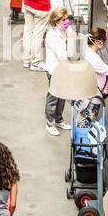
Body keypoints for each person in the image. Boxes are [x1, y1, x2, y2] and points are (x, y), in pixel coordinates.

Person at [45, 8, 72, 136]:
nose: (66, 22)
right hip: (54, 70)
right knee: (53, 97)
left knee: (62, 96)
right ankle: (50, 124)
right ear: (56, 21)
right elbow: (61, 54)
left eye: (67, 19)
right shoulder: (51, 35)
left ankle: (59, 120)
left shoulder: (67, 30)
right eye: (63, 20)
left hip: (64, 69)